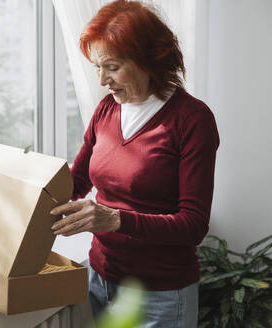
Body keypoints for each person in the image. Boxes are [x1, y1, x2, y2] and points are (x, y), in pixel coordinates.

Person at [49, 1, 219, 327]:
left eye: (111, 67)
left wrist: (115, 219)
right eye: (97, 67)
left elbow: (193, 225)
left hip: (160, 296)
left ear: (148, 61)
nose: (102, 80)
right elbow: (78, 181)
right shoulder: (106, 111)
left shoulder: (192, 120)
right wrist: (29, 186)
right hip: (98, 279)